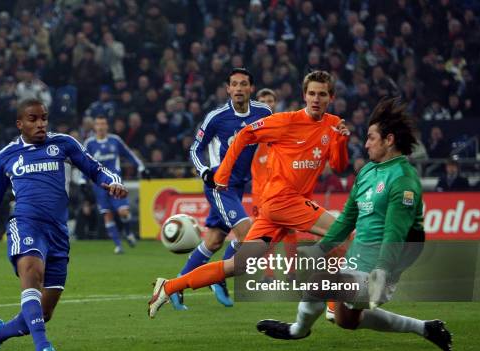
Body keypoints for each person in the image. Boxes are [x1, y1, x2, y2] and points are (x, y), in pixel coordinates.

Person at [256, 98, 452, 351]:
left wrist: (381, 271)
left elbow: (396, 233)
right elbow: (348, 218)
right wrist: (320, 249)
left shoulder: (403, 179)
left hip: (382, 263)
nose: (366, 144)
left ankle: (297, 330)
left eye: (371, 138)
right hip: (360, 254)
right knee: (346, 320)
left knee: (318, 282)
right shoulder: (368, 172)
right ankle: (426, 328)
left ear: (389, 140)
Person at [149, 70, 350, 318]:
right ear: (304, 95)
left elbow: (340, 166)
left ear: (331, 97)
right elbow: (245, 134)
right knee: (344, 236)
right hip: (284, 200)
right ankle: (332, 304)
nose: (316, 99)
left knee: (239, 265)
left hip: (276, 209)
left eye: (321, 94)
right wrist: (221, 175)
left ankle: (168, 286)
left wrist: (341, 141)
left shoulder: (333, 124)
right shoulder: (286, 121)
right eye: (311, 93)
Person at [0, 99, 126, 351]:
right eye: (33, 119)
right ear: (20, 124)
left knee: (43, 312)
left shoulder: (64, 144)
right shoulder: (7, 156)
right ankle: (43, 350)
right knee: (32, 274)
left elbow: (94, 168)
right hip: (25, 224)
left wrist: (111, 182)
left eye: (44, 118)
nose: (41, 124)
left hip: (58, 232)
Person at [171, 67, 272, 310]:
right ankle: (218, 278)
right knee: (248, 233)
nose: (238, 88)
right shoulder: (216, 117)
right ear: (228, 89)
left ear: (251, 88)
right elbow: (195, 149)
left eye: (243, 84)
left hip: (238, 187)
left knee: (214, 241)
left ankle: (175, 287)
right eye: (234, 84)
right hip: (219, 184)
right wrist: (204, 171)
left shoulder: (263, 112)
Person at [84, 115, 149, 254]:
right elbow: (84, 162)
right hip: (99, 185)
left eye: (103, 124)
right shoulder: (89, 143)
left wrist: (141, 167)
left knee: (123, 212)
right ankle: (118, 245)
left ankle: (128, 232)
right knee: (107, 214)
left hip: (115, 183)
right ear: (94, 127)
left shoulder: (115, 140)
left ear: (107, 126)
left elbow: (129, 154)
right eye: (98, 124)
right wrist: (82, 180)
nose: (101, 127)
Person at [251, 88, 298, 283]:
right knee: (264, 236)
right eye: (263, 101)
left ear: (275, 103)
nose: (267, 103)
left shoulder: (283, 128)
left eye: (270, 100)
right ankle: (268, 274)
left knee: (290, 231)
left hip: (284, 191)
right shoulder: (252, 132)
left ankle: (291, 273)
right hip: (260, 194)